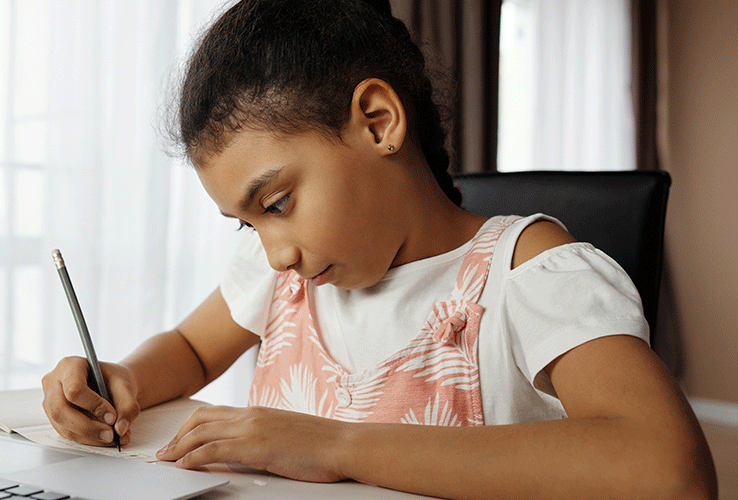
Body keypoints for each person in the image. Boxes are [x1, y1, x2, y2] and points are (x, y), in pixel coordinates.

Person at [41, 0, 717, 498]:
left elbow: (670, 468)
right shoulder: (283, 275)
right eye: (247, 224)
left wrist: (335, 446)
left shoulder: (527, 274)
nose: (275, 252)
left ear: (378, 121)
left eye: (276, 204)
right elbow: (190, 350)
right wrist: (123, 379)